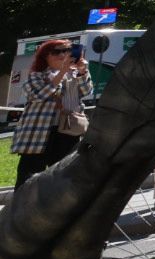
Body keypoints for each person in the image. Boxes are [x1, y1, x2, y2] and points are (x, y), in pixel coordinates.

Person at [11, 40, 93, 189]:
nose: (62, 54)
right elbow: (39, 95)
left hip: (68, 130)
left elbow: (86, 92)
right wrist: (62, 72)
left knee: (63, 177)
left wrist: (82, 72)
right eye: (57, 52)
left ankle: (55, 211)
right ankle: (20, 210)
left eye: (66, 50)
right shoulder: (36, 76)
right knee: (28, 177)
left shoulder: (74, 74)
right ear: (45, 57)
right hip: (38, 132)